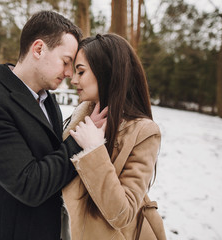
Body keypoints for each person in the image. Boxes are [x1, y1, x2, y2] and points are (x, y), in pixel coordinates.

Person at [0, 11, 106, 240]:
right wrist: (79, 141)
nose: (69, 74)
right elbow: (29, 185)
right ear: (38, 49)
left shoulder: (48, 99)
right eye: (66, 62)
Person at [62, 33, 166, 239]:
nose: (73, 79)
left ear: (106, 72)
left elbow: (123, 214)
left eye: (80, 71)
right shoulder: (83, 115)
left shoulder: (144, 132)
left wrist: (94, 150)